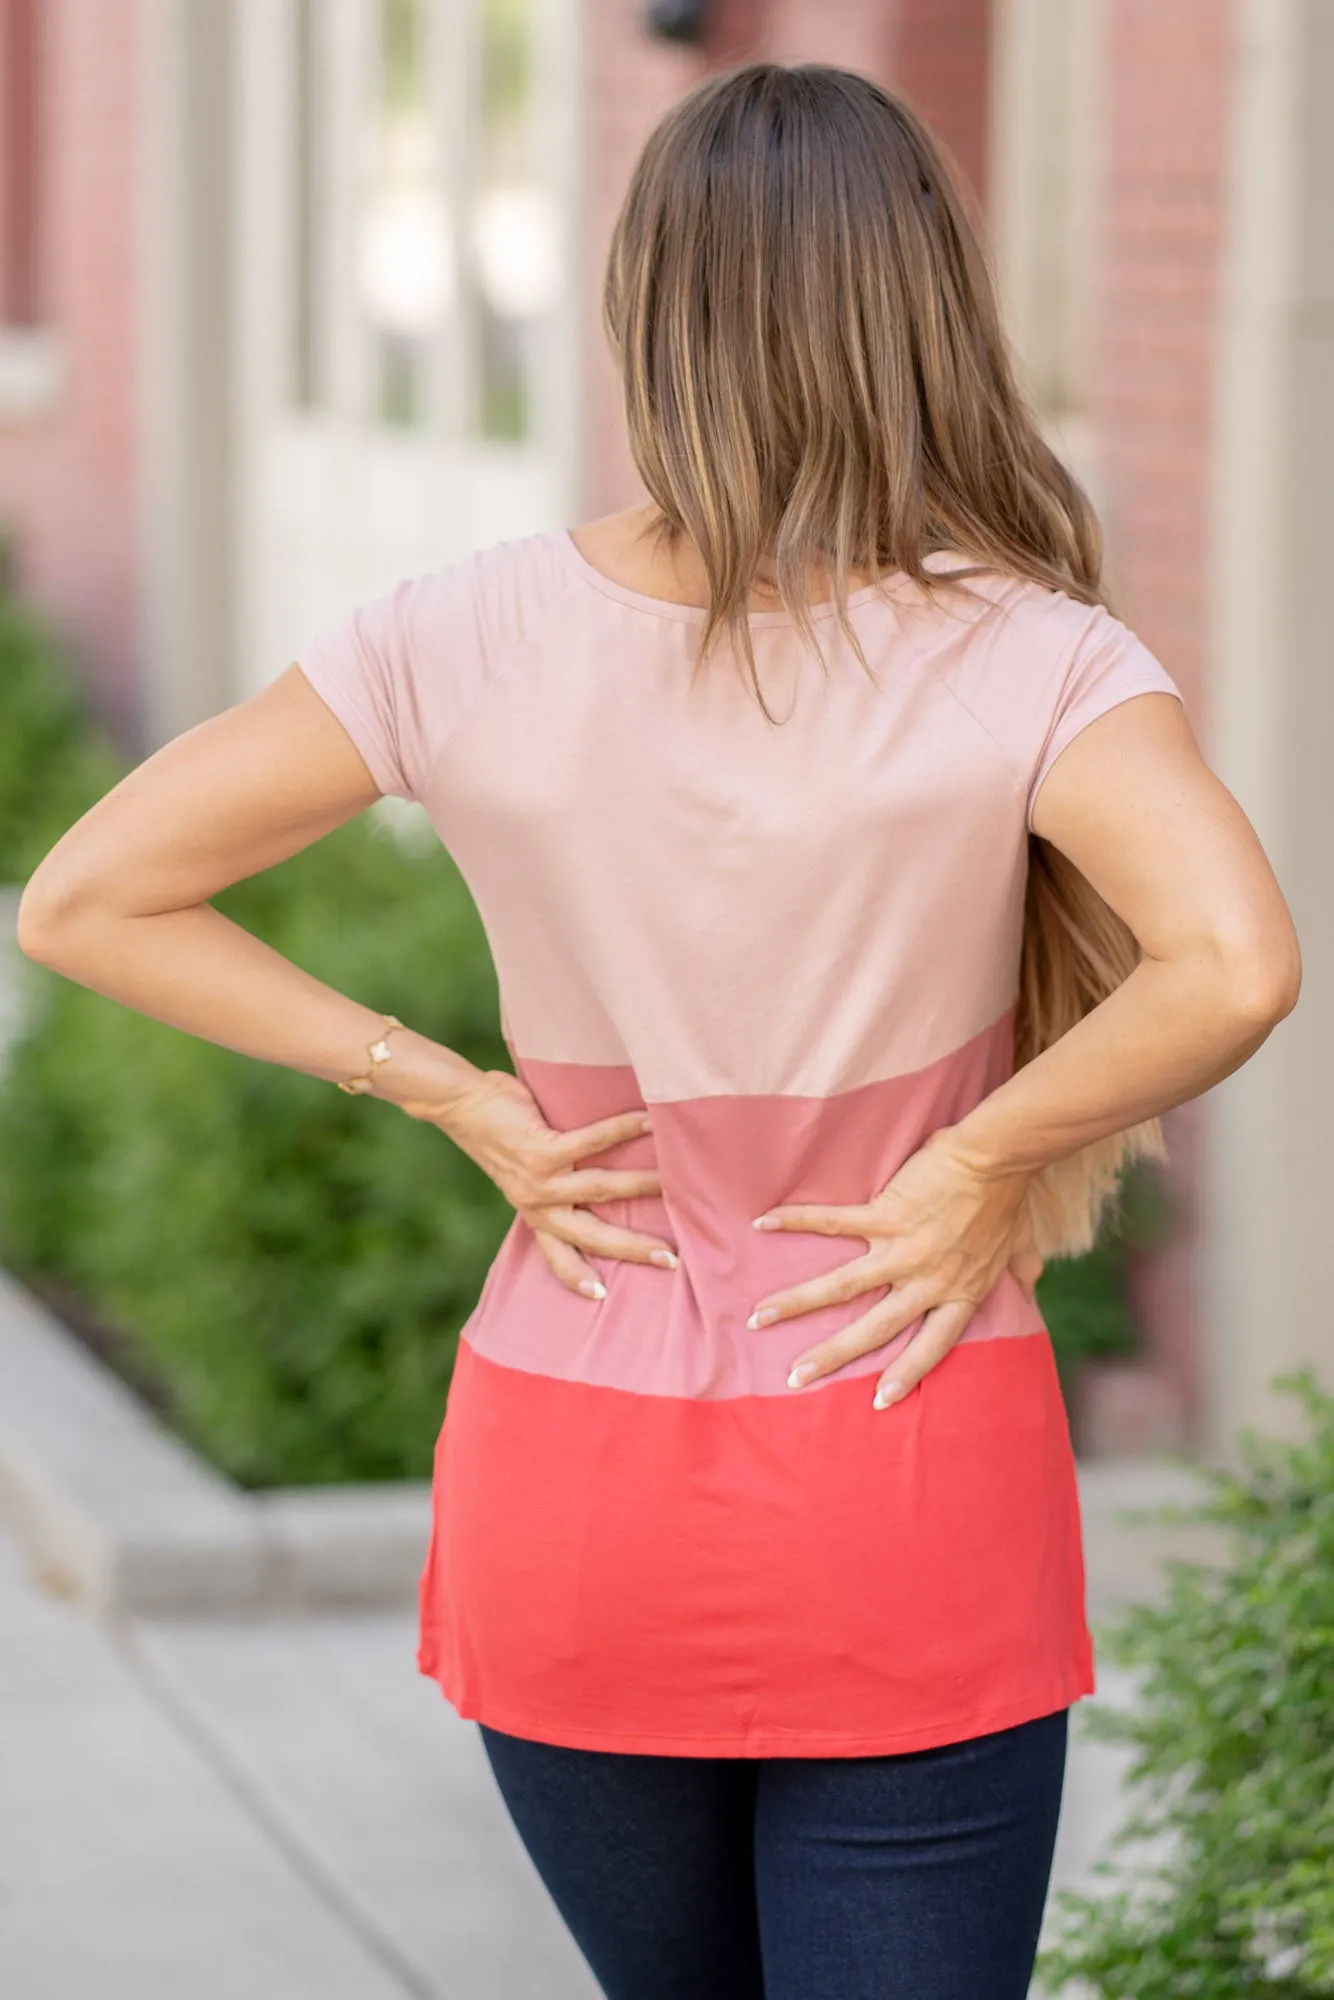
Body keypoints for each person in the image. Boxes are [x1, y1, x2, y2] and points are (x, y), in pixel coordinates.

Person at [18, 60, 1299, 2000]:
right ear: (924, 308)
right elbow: (1233, 960)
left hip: (569, 1472)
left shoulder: (456, 631)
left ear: (645, 318)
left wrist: (445, 1086)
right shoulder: (1032, 655)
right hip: (902, 1440)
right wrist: (973, 1156)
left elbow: (84, 895)